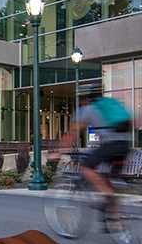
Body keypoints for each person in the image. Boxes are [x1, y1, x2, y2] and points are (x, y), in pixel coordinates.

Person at [52, 84, 131, 232]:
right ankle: (115, 222)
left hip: (111, 146)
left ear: (85, 99)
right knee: (109, 182)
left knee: (86, 168)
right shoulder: (110, 105)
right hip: (124, 146)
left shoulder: (87, 110)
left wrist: (58, 152)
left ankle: (106, 197)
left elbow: (71, 135)